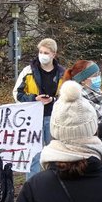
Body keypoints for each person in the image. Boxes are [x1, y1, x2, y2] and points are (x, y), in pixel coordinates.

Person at [13, 38, 65, 179]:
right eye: (40, 52)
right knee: (33, 155)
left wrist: (53, 99)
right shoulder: (28, 71)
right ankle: (32, 185)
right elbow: (17, 94)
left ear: (53, 54)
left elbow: (67, 95)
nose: (42, 55)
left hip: (53, 117)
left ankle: (54, 182)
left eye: (46, 52)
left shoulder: (61, 73)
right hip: (32, 119)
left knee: (55, 154)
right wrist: (34, 98)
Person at [63, 60, 102, 165]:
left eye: (99, 74)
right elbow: (80, 131)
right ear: (83, 80)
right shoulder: (76, 100)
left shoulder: (97, 94)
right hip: (85, 151)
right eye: (95, 75)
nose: (99, 77)